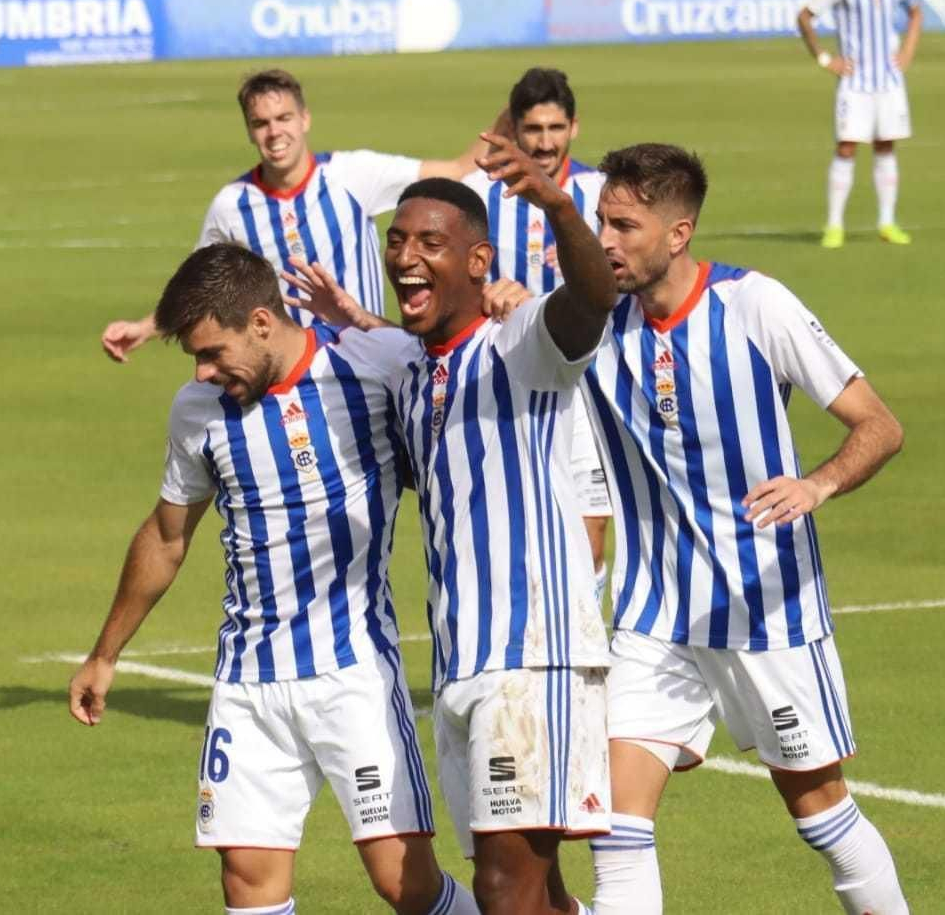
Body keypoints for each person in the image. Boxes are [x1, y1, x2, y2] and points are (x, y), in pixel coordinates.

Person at [67, 242, 481, 915]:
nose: (203, 371)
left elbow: (459, 370)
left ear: (261, 322)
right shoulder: (198, 410)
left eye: (211, 351)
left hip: (355, 675)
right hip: (249, 683)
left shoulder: (368, 371)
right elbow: (168, 536)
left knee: (404, 883)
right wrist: (104, 654)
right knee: (248, 885)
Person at [286, 136, 619, 915]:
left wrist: (559, 206)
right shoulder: (409, 368)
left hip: (533, 656)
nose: (405, 253)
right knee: (543, 895)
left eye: (430, 242)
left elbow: (595, 299)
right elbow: (404, 344)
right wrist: (350, 316)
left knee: (505, 890)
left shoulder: (523, 344)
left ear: (479, 263)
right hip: (461, 661)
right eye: (396, 240)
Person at [579, 144, 909, 915]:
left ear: (679, 231)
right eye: (601, 221)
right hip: (655, 619)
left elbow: (879, 425)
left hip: (769, 619)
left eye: (625, 224)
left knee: (821, 813)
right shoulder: (595, 324)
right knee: (615, 824)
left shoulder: (756, 306)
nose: (606, 240)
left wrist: (818, 482)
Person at [100, 68, 499, 361]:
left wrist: (515, 114)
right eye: (261, 123)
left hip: (370, 361)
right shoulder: (232, 204)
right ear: (249, 130)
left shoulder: (352, 174)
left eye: (283, 118)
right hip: (289, 374)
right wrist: (145, 329)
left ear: (304, 119)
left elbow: (456, 170)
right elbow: (200, 289)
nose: (274, 132)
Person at [462, 67, 614, 602]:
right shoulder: (476, 195)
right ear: (514, 132)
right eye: (533, 130)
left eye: (555, 128)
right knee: (513, 534)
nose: (545, 143)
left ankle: (584, 659)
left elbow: (634, 281)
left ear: (574, 127)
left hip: (591, 389)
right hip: (506, 390)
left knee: (591, 534)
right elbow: (454, 291)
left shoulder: (602, 195)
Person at [797, 0, 924, 249]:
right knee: (846, 147)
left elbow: (916, 11)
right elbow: (804, 16)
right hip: (855, 84)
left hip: (889, 82)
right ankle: (834, 225)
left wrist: (907, 51)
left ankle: (887, 222)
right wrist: (825, 58)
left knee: (886, 145)